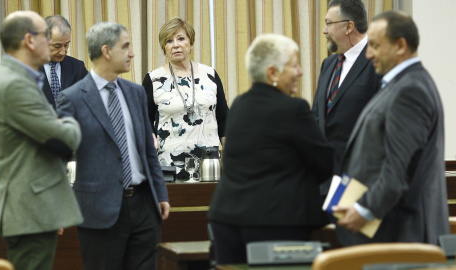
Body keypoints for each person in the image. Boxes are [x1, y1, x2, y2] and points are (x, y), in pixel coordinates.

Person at [208, 33, 334, 264]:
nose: (300, 72)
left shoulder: (238, 105)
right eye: (294, 66)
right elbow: (324, 165)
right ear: (272, 73)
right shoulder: (294, 109)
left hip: (226, 220)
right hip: (276, 223)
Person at [57, 22, 170, 270]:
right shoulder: (72, 98)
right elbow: (57, 157)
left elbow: (148, 150)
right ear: (107, 51)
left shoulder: (136, 92)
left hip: (144, 208)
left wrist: (160, 194)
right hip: (99, 212)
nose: (131, 53)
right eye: (126, 46)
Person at [332, 11, 450, 246]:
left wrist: (364, 209)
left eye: (375, 45)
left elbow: (398, 168)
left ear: (400, 46)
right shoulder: (400, 85)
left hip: (402, 237)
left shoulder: (410, 91)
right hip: (392, 234)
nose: (368, 54)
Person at [0, 11, 83, 270]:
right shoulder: (16, 84)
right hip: (29, 209)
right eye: (47, 38)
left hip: (36, 206)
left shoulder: (19, 77)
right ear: (30, 40)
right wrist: (72, 121)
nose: (59, 49)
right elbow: (62, 140)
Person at [142, 17, 228, 179]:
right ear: (164, 48)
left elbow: (223, 119)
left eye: (181, 39)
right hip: (169, 165)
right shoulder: (153, 79)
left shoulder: (210, 75)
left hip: (209, 163)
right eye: (169, 41)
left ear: (191, 43)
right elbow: (144, 122)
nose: (175, 45)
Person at [312, 0, 380, 199]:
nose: (324, 30)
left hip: (360, 179)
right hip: (325, 178)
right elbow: (317, 116)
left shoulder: (378, 62)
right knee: (326, 230)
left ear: (349, 26)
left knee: (350, 230)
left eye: (329, 23)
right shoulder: (329, 64)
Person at [40, 15, 88, 109]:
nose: (63, 52)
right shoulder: (27, 68)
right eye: (57, 46)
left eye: (66, 45)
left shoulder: (77, 67)